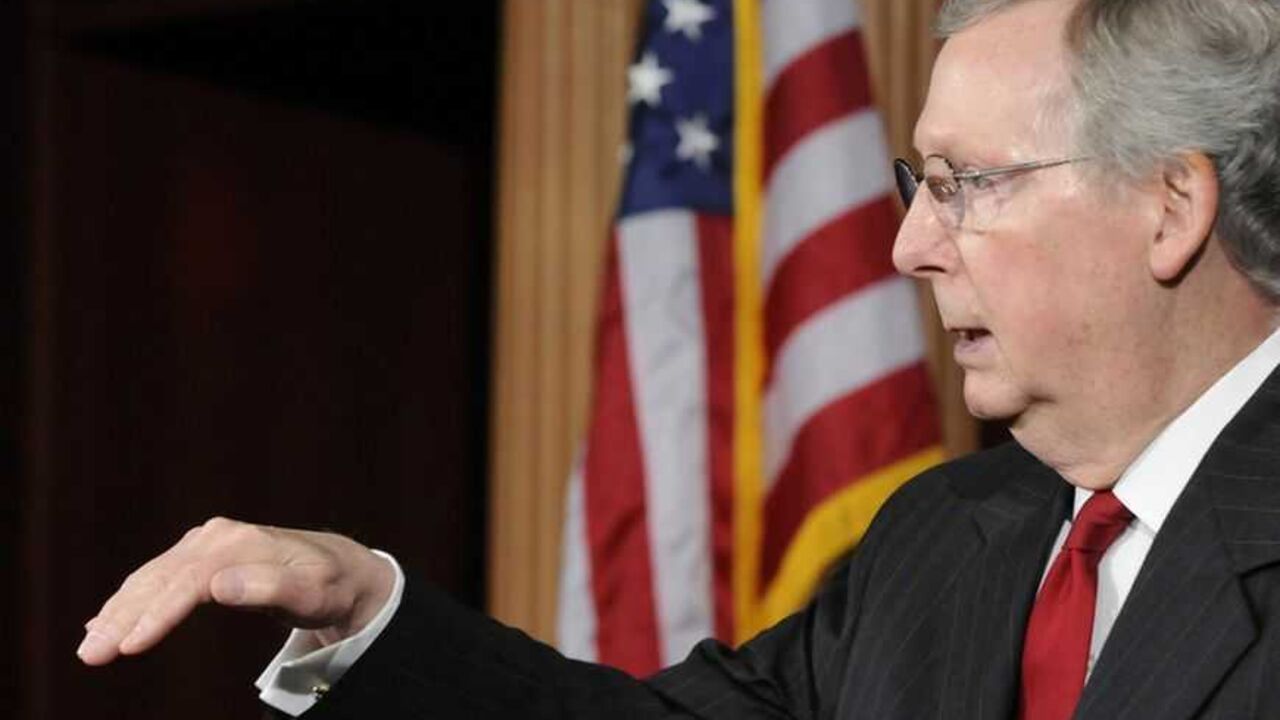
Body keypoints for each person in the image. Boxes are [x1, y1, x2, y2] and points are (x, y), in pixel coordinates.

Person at [79, 0, 1280, 717]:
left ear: (1168, 207)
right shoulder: (945, 533)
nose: (911, 244)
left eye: (969, 185)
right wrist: (363, 609)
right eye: (921, 184)